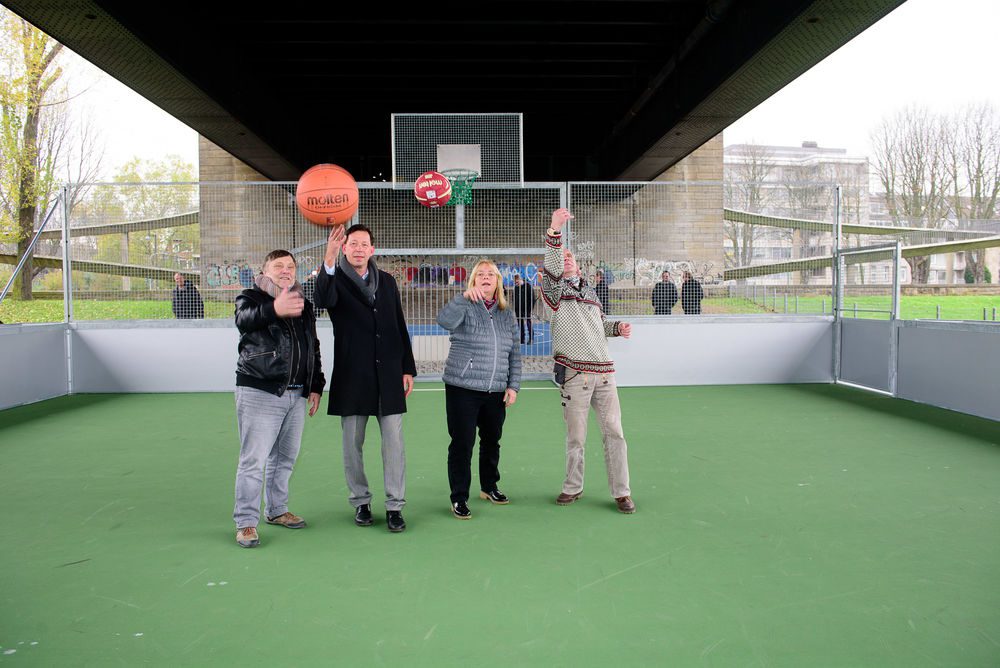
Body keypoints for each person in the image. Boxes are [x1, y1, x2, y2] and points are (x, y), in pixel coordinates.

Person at [313, 224, 416, 533]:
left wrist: (407, 367)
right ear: (344, 248)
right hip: (352, 375)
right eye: (352, 243)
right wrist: (327, 259)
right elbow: (321, 300)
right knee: (352, 445)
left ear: (373, 250)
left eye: (364, 244)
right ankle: (360, 501)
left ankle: (395, 506)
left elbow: (398, 323)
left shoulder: (386, 281)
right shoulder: (334, 279)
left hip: (388, 373)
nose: (358, 248)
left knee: (394, 445)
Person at [542, 208, 636, 514]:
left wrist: (617, 328)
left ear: (580, 267)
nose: (566, 260)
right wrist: (555, 231)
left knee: (615, 434)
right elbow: (552, 268)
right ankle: (573, 487)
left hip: (606, 376)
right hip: (575, 376)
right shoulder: (554, 293)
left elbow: (601, 325)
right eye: (563, 257)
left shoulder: (592, 294)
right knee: (577, 438)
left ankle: (622, 492)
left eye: (571, 258)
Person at [232, 250, 325, 548]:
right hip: (260, 390)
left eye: (290, 266)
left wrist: (316, 385)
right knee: (253, 460)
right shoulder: (251, 297)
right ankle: (246, 522)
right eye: (278, 266)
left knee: (285, 458)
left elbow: (313, 346)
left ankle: (277, 510)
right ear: (265, 270)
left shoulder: (303, 304)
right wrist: (274, 308)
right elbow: (244, 320)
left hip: (296, 393)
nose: (285, 270)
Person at [437, 260, 522, 520]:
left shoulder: (506, 312)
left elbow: (514, 352)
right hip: (463, 387)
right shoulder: (464, 305)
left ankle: (489, 487)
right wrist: (462, 298)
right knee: (462, 443)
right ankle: (459, 497)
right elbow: (444, 321)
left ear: (498, 282)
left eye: (491, 275)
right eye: (480, 275)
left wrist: (513, 385)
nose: (486, 278)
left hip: (496, 390)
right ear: (473, 281)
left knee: (491, 441)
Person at [511, 273, 535, 344]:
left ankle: (531, 339)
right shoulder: (516, 288)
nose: (516, 283)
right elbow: (513, 298)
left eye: (517, 282)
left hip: (526, 309)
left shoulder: (528, 286)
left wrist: (530, 309)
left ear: (520, 279)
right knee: (520, 325)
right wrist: (515, 308)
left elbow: (532, 298)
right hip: (518, 310)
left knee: (528, 323)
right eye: (515, 282)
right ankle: (522, 339)